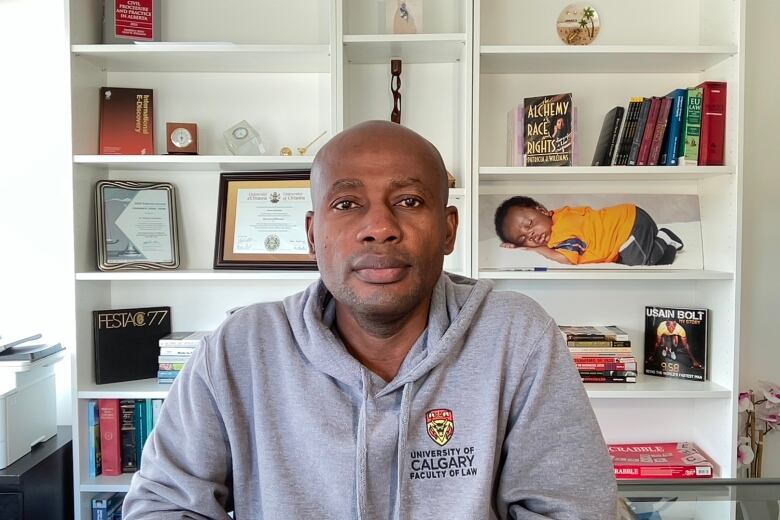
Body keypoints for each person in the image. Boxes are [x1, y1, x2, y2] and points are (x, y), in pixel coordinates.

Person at [123, 121, 618, 519]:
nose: (380, 227)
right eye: (346, 204)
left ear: (448, 231)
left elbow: (573, 509)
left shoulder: (516, 335)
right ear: (313, 235)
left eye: (408, 201)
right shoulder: (241, 348)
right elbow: (163, 504)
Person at [494, 196, 684, 266]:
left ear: (542, 211)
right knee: (623, 260)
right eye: (524, 238)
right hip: (629, 220)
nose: (532, 235)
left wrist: (535, 249)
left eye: (530, 225)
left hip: (629, 225)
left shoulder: (563, 228)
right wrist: (517, 246)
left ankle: (665, 237)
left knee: (644, 262)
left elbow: (568, 258)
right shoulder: (559, 218)